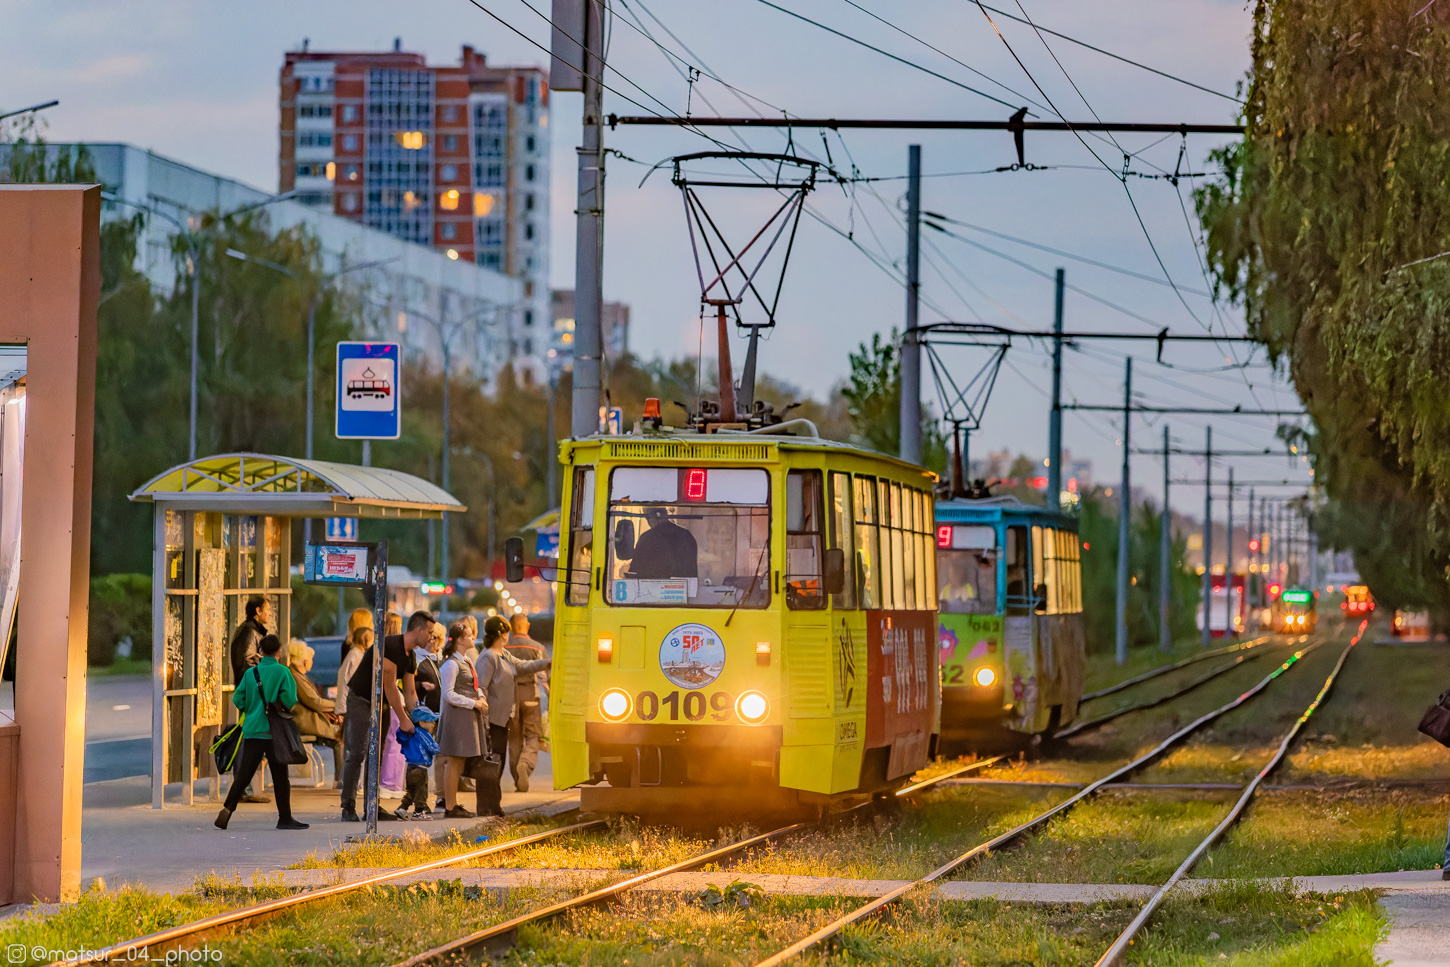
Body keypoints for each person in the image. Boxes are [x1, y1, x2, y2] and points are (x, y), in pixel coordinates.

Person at [339, 610, 429, 823]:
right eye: (430, 633)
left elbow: (409, 692)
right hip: (361, 700)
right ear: (418, 630)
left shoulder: (411, 655)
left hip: (382, 705)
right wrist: (404, 719)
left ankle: (372, 806)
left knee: (375, 754)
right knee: (358, 752)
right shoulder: (389, 645)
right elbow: (389, 686)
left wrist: (417, 717)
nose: (431, 638)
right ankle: (348, 806)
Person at [215, 634, 307, 831]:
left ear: (261, 652)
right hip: (275, 733)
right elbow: (290, 700)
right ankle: (285, 818)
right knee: (280, 777)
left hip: (252, 731)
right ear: (279, 653)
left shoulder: (250, 674)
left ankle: (227, 809)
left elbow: (238, 700)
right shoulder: (283, 672)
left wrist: (252, 709)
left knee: (243, 775)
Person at [475, 616, 551, 816]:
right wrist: (484, 718)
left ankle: (494, 804)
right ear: (501, 634)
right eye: (506, 633)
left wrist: (547, 662)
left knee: (497, 761)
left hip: (502, 718)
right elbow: (481, 687)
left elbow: (522, 666)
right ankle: (486, 805)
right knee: (491, 762)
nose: (508, 636)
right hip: (492, 720)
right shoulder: (488, 657)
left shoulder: (503, 654)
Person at [434, 620, 488, 819]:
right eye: (468, 635)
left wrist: (481, 697)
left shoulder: (466, 661)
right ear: (459, 640)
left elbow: (475, 684)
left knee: (459, 761)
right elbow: (448, 694)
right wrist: (474, 703)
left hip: (465, 716)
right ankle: (450, 806)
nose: (472, 637)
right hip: (456, 717)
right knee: (454, 761)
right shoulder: (451, 664)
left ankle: (452, 804)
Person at [227, 596, 273, 804]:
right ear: (257, 611)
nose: (270, 613)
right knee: (248, 737)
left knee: (250, 736)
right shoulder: (249, 631)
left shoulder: (251, 630)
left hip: (251, 692)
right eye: (267, 609)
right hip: (251, 694)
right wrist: (266, 663)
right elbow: (246, 661)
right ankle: (241, 786)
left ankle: (243, 785)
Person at [504, 613, 549, 793]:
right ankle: (526, 763)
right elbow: (544, 677)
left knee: (514, 740)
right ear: (527, 626)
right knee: (532, 737)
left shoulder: (504, 647)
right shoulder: (537, 648)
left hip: (511, 699)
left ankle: (517, 780)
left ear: (512, 627)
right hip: (531, 697)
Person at [286, 639, 342, 776]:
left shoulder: (296, 675)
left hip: (306, 718)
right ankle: (340, 780)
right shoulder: (296, 677)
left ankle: (340, 779)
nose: (312, 662)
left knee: (340, 734)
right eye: (311, 659)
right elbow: (314, 702)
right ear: (305, 661)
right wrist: (338, 706)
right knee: (340, 739)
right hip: (305, 721)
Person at [413, 621, 445, 812]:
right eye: (430, 637)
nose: (432, 641)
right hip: (424, 713)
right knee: (421, 757)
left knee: (435, 756)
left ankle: (431, 798)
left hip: (438, 713)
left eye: (436, 638)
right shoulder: (418, 658)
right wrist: (420, 686)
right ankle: (418, 802)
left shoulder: (438, 659)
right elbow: (407, 684)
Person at [631, 507, 698, 579]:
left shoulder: (647, 538)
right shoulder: (686, 535)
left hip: (652, 587)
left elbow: (635, 569)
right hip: (686, 587)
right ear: (666, 516)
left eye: (648, 519)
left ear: (652, 518)